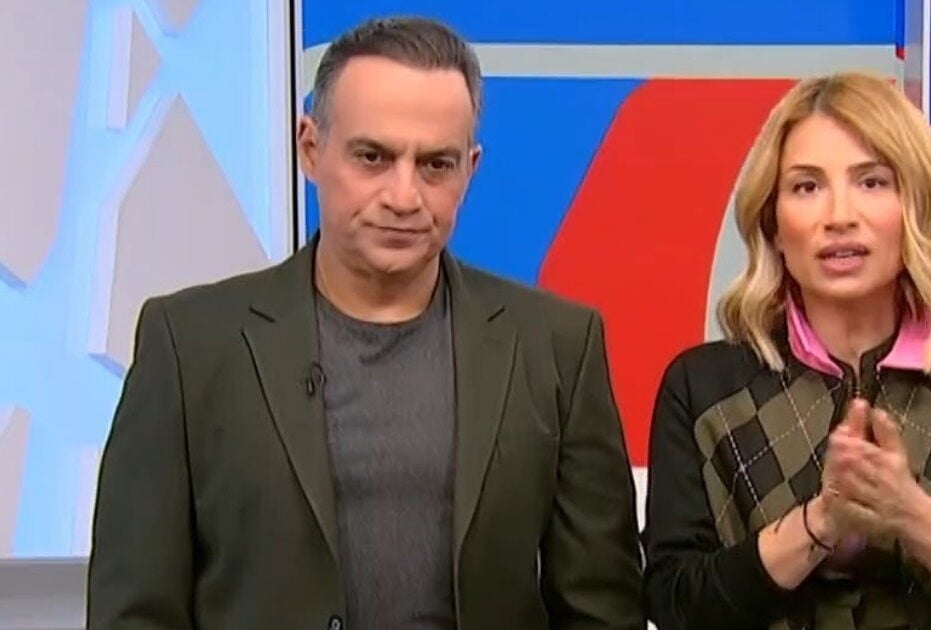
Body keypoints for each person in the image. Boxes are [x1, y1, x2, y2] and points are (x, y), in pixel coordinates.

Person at [87, 16, 643, 630]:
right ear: (310, 148)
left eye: (435, 165)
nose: (404, 196)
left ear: (471, 169)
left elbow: (601, 609)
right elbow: (134, 610)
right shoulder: (188, 345)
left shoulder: (557, 347)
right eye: (373, 157)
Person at [641, 72, 931, 630]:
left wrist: (912, 515)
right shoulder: (702, 389)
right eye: (807, 187)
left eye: (872, 182)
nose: (839, 216)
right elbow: (675, 602)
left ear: (917, 207)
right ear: (772, 223)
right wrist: (820, 522)